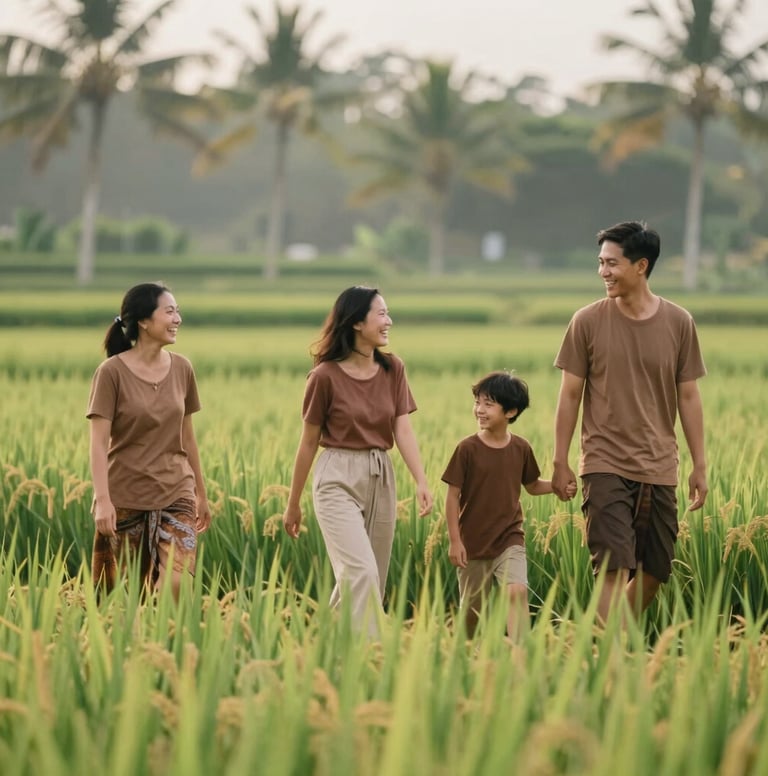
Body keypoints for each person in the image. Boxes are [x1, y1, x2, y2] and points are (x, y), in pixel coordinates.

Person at [552, 221, 707, 625]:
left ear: (641, 266)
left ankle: (606, 641)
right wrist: (560, 460)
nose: (603, 272)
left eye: (611, 264)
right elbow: (569, 395)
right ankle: (609, 661)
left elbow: (688, 396)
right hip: (604, 461)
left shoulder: (678, 322)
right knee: (612, 566)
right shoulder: (587, 321)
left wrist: (700, 464)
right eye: (600, 263)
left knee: (656, 571)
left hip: (660, 464)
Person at [282, 286, 433, 636]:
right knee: (359, 573)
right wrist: (293, 503)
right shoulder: (323, 378)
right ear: (355, 323)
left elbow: (403, 430)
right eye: (381, 314)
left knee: (370, 580)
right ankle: (373, 656)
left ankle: (326, 647)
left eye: (387, 313)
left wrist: (421, 481)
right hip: (336, 475)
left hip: (380, 474)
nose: (388, 321)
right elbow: (307, 443)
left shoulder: (393, 368)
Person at [87, 282, 211, 598]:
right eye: (169, 311)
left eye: (178, 311)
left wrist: (201, 494)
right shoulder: (111, 373)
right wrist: (102, 500)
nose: (177, 319)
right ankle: (144, 644)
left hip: (176, 491)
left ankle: (166, 638)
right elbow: (99, 444)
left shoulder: (183, 368)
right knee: (125, 596)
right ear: (144, 321)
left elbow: (188, 437)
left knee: (177, 583)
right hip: (125, 496)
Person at [442, 371, 571, 640]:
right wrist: (455, 540)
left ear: (510, 412)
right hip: (474, 543)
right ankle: (465, 654)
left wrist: (558, 488)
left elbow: (533, 485)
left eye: (488, 404)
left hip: (509, 537)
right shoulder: (467, 449)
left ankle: (520, 656)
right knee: (472, 615)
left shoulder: (521, 448)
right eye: (478, 402)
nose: (479, 409)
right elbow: (452, 497)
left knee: (517, 591)